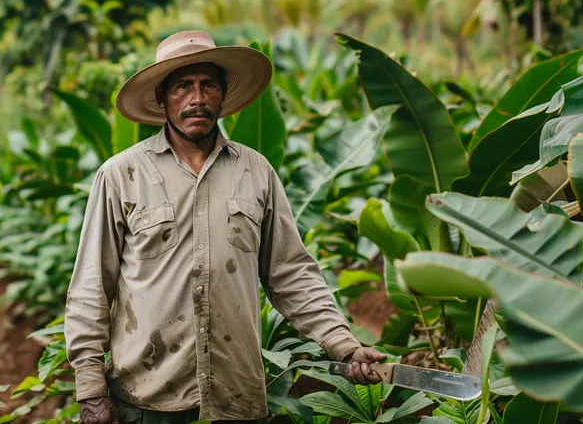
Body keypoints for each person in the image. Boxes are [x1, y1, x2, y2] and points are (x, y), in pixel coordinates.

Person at [64, 30, 385, 424]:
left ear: (223, 95)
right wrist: (90, 389)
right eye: (183, 86)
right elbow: (91, 287)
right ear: (162, 97)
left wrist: (344, 346)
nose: (197, 98)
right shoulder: (121, 175)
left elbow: (291, 273)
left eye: (208, 85)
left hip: (237, 398)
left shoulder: (256, 172)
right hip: (146, 400)